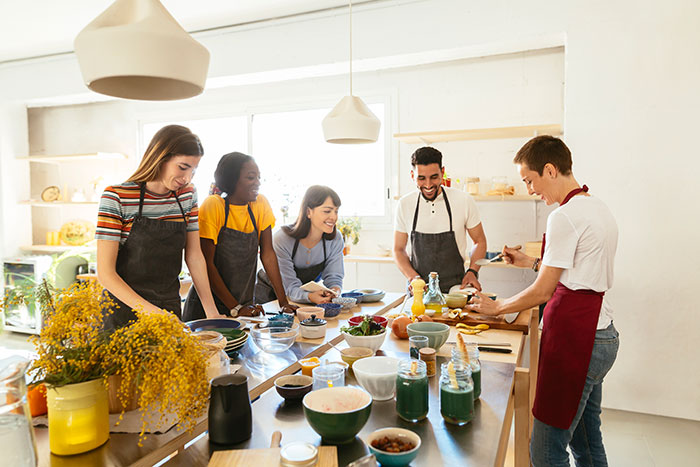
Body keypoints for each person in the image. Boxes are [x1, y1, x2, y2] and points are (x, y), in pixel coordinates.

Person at [467, 136, 619, 466]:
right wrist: (530, 262)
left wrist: (498, 307)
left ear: (549, 170)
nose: (531, 190)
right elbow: (577, 273)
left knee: (546, 449)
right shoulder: (597, 207)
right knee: (587, 442)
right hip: (602, 335)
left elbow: (543, 291)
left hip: (578, 341)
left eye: (530, 180)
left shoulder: (563, 217)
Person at [96, 125, 222, 329]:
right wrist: (155, 315)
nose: (187, 178)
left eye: (194, 170)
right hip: (122, 313)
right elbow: (106, 273)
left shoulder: (187, 195)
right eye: (183, 167)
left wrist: (212, 313)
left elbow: (194, 256)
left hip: (169, 308)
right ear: (160, 157)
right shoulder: (117, 197)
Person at [183, 152, 295, 320]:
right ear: (232, 179)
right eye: (251, 177)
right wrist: (235, 307)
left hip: (243, 305)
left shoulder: (260, 204)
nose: (257, 182)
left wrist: (283, 301)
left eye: (259, 177)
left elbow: (268, 255)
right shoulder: (214, 205)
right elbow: (207, 263)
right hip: (209, 309)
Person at [393, 146, 487, 293]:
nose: (428, 185)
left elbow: (480, 241)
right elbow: (398, 250)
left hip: (456, 289)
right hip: (420, 290)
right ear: (412, 175)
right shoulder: (405, 204)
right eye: (421, 178)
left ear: (442, 173)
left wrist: (472, 271)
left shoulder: (463, 200)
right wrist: (413, 278)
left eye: (434, 177)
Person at [255, 185, 344, 304]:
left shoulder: (335, 239)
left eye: (336, 211)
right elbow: (290, 286)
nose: (334, 217)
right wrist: (310, 297)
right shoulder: (282, 239)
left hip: (300, 297)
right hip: (269, 296)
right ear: (308, 212)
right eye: (327, 211)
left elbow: (334, 277)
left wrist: (334, 292)